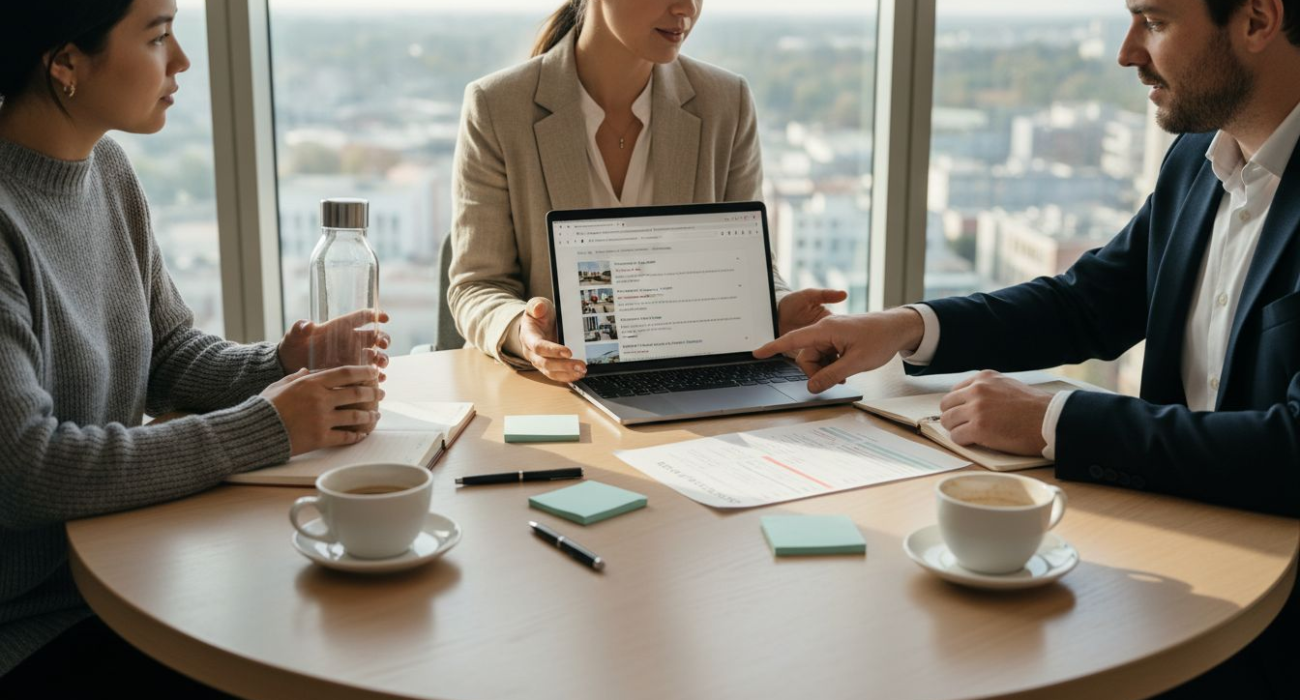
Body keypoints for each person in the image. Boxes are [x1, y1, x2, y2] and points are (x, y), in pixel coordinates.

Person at [757, 0, 1298, 696]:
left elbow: (1292, 447)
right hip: (1184, 561)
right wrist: (904, 327)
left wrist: (1053, 420)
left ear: (1256, 21)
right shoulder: (1198, 157)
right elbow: (1089, 304)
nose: (1127, 52)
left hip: (1271, 622)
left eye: (1154, 22)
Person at [0, 1, 390, 694]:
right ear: (63, 63)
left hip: (125, 568)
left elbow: (168, 352)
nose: (181, 61)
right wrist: (267, 426)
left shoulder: (108, 171)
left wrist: (281, 363)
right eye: (156, 36)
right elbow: (27, 468)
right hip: (32, 624)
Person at [448, 0, 844, 383]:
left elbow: (745, 267)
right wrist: (524, 333)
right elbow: (477, 285)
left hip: (694, 389)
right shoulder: (497, 107)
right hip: (554, 394)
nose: (686, 8)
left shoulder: (727, 103)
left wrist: (776, 308)